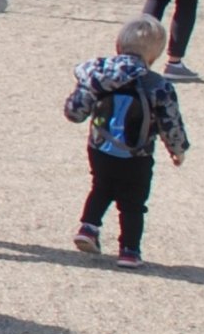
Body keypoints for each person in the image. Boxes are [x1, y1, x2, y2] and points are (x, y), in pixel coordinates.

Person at [65, 16, 188, 267]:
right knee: (133, 203)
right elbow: (170, 122)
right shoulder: (157, 85)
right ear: (155, 54)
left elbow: (74, 112)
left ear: (119, 45)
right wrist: (177, 150)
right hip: (137, 154)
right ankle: (129, 251)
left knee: (101, 186)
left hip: (100, 147)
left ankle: (88, 227)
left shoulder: (98, 75)